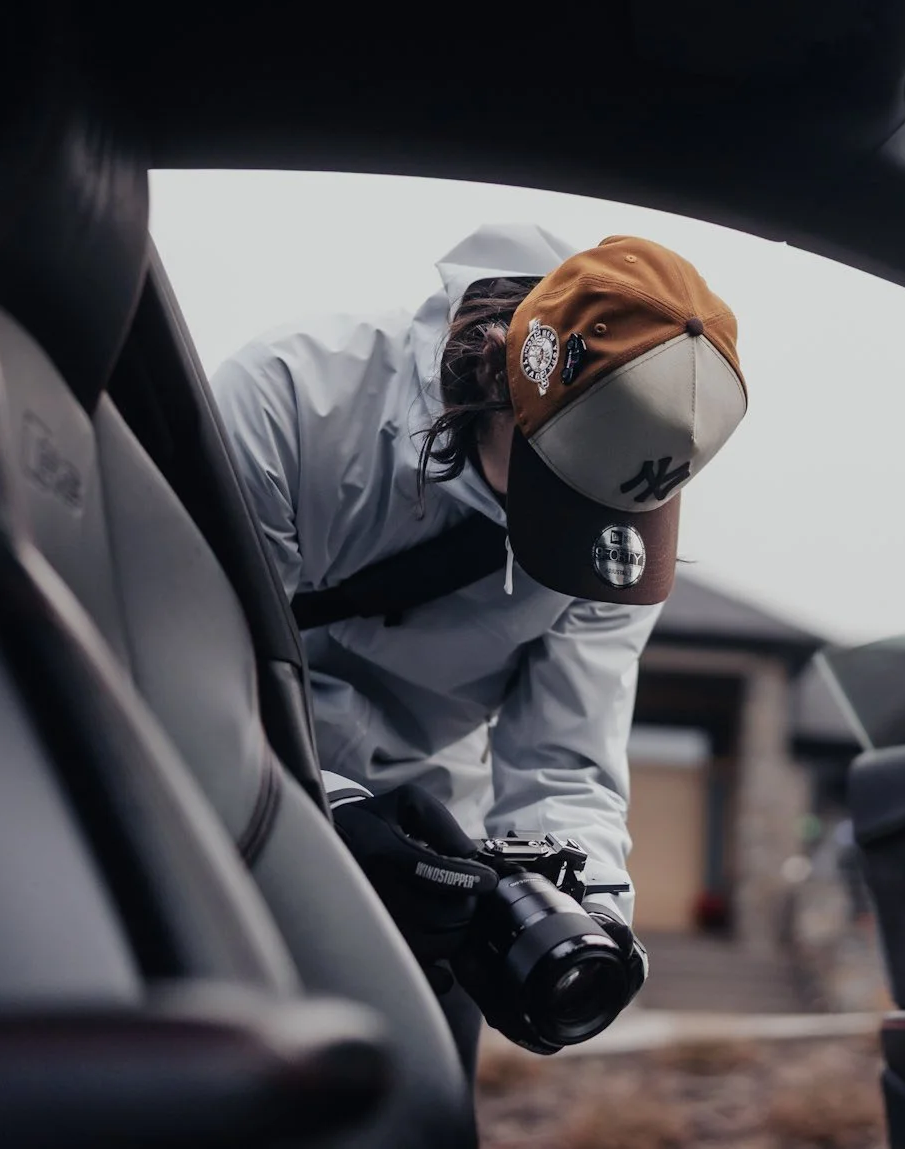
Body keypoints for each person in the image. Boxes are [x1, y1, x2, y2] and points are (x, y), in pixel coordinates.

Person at [210, 222, 747, 1069]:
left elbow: (565, 760)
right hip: (221, 788)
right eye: (559, 495)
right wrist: (335, 816)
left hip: (432, 835)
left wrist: (594, 918)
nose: (584, 540)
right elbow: (196, 679)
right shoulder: (290, 399)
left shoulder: (616, 552)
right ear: (501, 377)